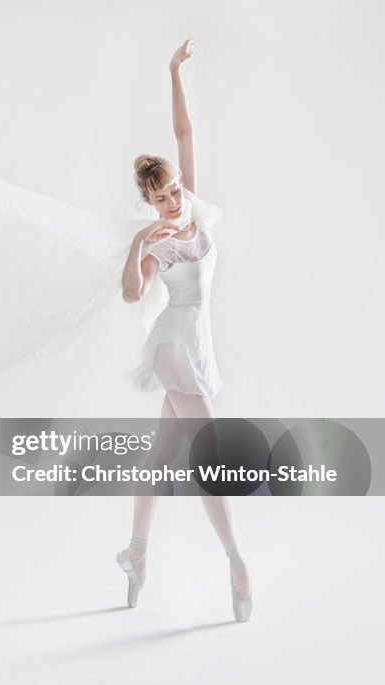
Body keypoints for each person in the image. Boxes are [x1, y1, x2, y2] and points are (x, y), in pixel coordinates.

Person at [116, 39, 253, 622]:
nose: (172, 200)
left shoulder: (191, 206)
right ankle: (237, 563)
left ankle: (137, 553)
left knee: (161, 453)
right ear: (147, 202)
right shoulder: (158, 242)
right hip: (174, 345)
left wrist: (173, 70)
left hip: (197, 339)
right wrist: (135, 246)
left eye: (173, 189)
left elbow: (184, 134)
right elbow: (130, 293)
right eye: (161, 197)